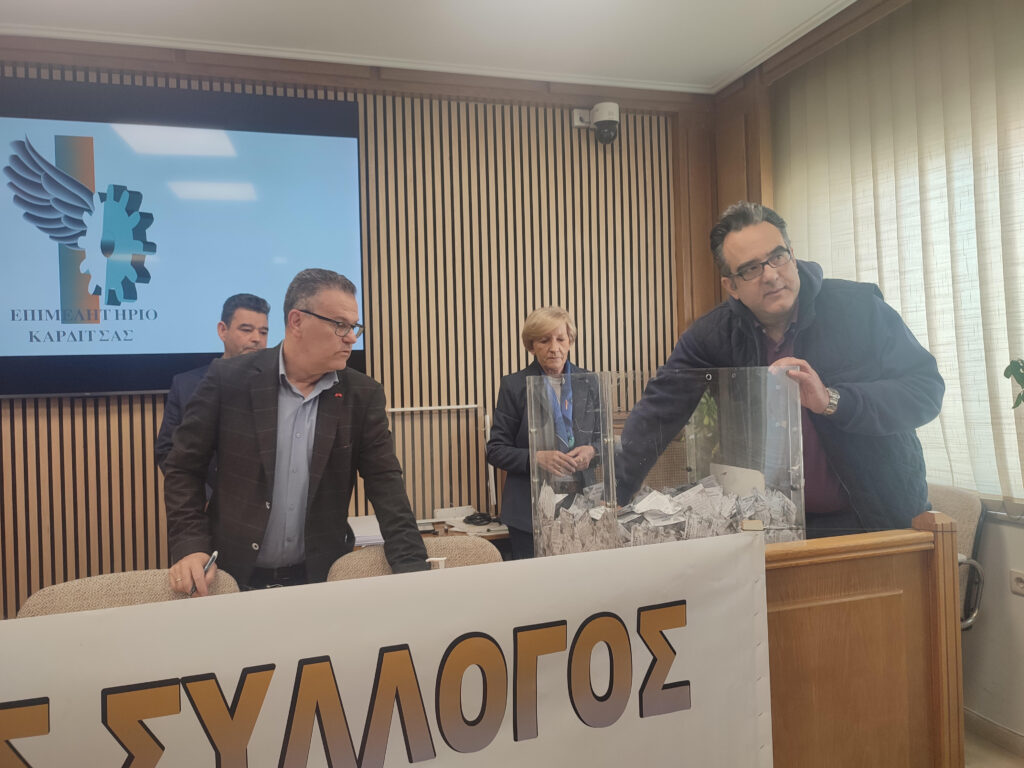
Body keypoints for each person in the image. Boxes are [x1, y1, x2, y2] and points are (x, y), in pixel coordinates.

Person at [616, 202, 945, 536]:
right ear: (731, 286)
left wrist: (831, 400)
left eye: (777, 257)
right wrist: (614, 495)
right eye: (750, 269)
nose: (771, 275)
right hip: (774, 529)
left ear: (793, 255)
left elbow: (925, 390)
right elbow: (657, 412)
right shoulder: (712, 336)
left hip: (877, 522)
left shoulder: (859, 308)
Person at [164, 269, 428, 593]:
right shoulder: (228, 379)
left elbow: (385, 482)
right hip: (230, 577)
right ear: (297, 321)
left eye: (354, 326)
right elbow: (183, 468)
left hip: (320, 579)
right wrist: (190, 545)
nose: (351, 338)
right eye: (340, 325)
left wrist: (414, 570)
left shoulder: (362, 394)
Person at [486, 307, 602, 558]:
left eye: (561, 339)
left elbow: (604, 440)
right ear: (531, 346)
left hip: (582, 508)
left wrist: (593, 450)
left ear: (570, 341)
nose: (554, 348)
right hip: (529, 514)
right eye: (544, 340)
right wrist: (535, 458)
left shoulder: (589, 381)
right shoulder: (514, 386)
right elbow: (495, 450)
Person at [154, 293, 271, 474]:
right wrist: (197, 490)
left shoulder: (276, 383)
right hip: (203, 490)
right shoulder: (186, 385)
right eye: (246, 330)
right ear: (222, 331)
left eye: (263, 332)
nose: (257, 338)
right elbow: (166, 450)